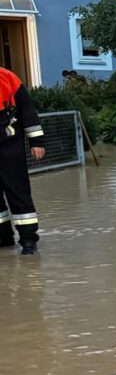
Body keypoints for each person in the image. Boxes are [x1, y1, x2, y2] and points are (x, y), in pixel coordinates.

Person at [0, 66, 45, 255]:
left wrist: (37, 142)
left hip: (9, 148)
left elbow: (27, 111)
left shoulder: (7, 78)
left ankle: (28, 239)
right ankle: (3, 237)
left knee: (18, 194)